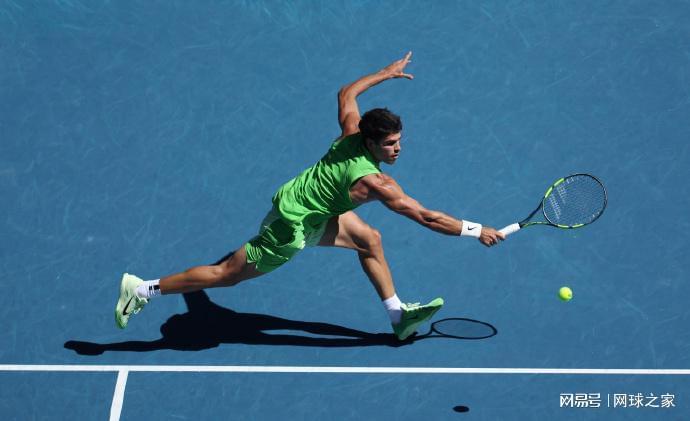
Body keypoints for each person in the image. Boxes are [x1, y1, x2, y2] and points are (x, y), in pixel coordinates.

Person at [115, 51, 505, 341]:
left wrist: (385, 74)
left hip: (313, 207)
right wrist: (476, 230)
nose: (397, 149)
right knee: (226, 276)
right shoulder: (377, 183)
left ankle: (398, 318)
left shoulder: (352, 130)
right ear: (371, 142)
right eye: (390, 144)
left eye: (399, 141)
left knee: (369, 239)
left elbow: (347, 92)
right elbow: (427, 217)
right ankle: (142, 289)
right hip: (291, 226)